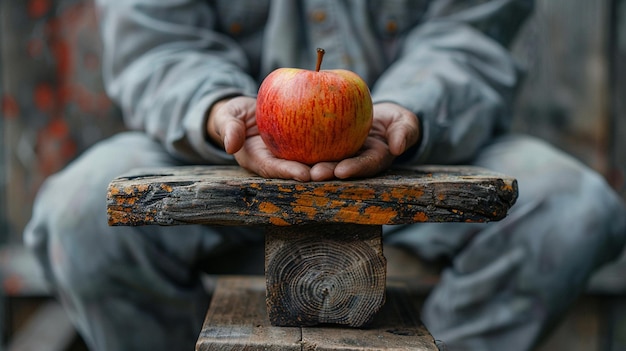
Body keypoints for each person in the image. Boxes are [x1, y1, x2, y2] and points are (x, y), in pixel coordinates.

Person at [24, 0, 626, 350]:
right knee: (78, 216)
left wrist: (407, 113)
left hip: (416, 150)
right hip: (216, 149)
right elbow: (155, 47)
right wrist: (215, 111)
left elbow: (469, 36)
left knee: (574, 209)